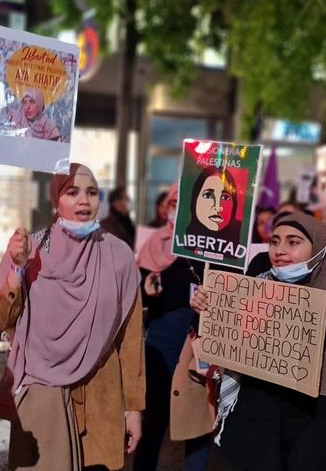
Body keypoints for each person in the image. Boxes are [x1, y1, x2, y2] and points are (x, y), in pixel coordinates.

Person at [192, 213, 326, 470]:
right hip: (262, 423)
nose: (279, 251)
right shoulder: (255, 290)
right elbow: (231, 336)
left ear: (319, 249)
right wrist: (210, 304)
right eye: (274, 241)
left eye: (293, 242)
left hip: (317, 429)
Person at [0, 163, 144, 471]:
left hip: (101, 395)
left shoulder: (118, 255)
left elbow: (130, 338)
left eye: (91, 192)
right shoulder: (28, 249)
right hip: (43, 398)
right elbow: (1, 319)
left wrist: (134, 409)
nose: (84, 201)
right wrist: (17, 271)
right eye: (72, 192)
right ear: (56, 199)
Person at [133, 184, 209, 471]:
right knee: (154, 417)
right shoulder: (155, 244)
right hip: (163, 340)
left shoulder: (216, 248)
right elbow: (137, 293)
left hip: (199, 339)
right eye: (173, 203)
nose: (176, 209)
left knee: (197, 419)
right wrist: (147, 290)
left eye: (183, 203)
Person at [185, 167, 242, 247]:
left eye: (225, 198)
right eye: (208, 195)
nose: (217, 207)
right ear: (195, 200)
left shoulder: (243, 238)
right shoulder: (182, 241)